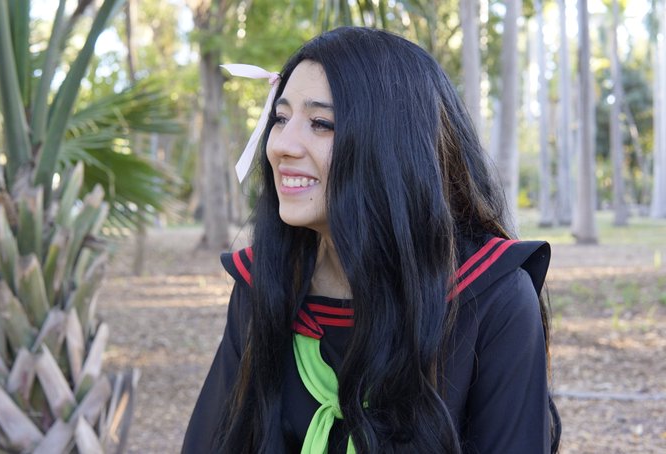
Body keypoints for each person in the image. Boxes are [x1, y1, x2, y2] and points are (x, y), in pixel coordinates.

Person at [182, 27, 561, 454]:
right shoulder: (265, 285)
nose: (281, 145)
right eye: (280, 118)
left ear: (394, 147)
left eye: (321, 123)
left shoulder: (491, 298)